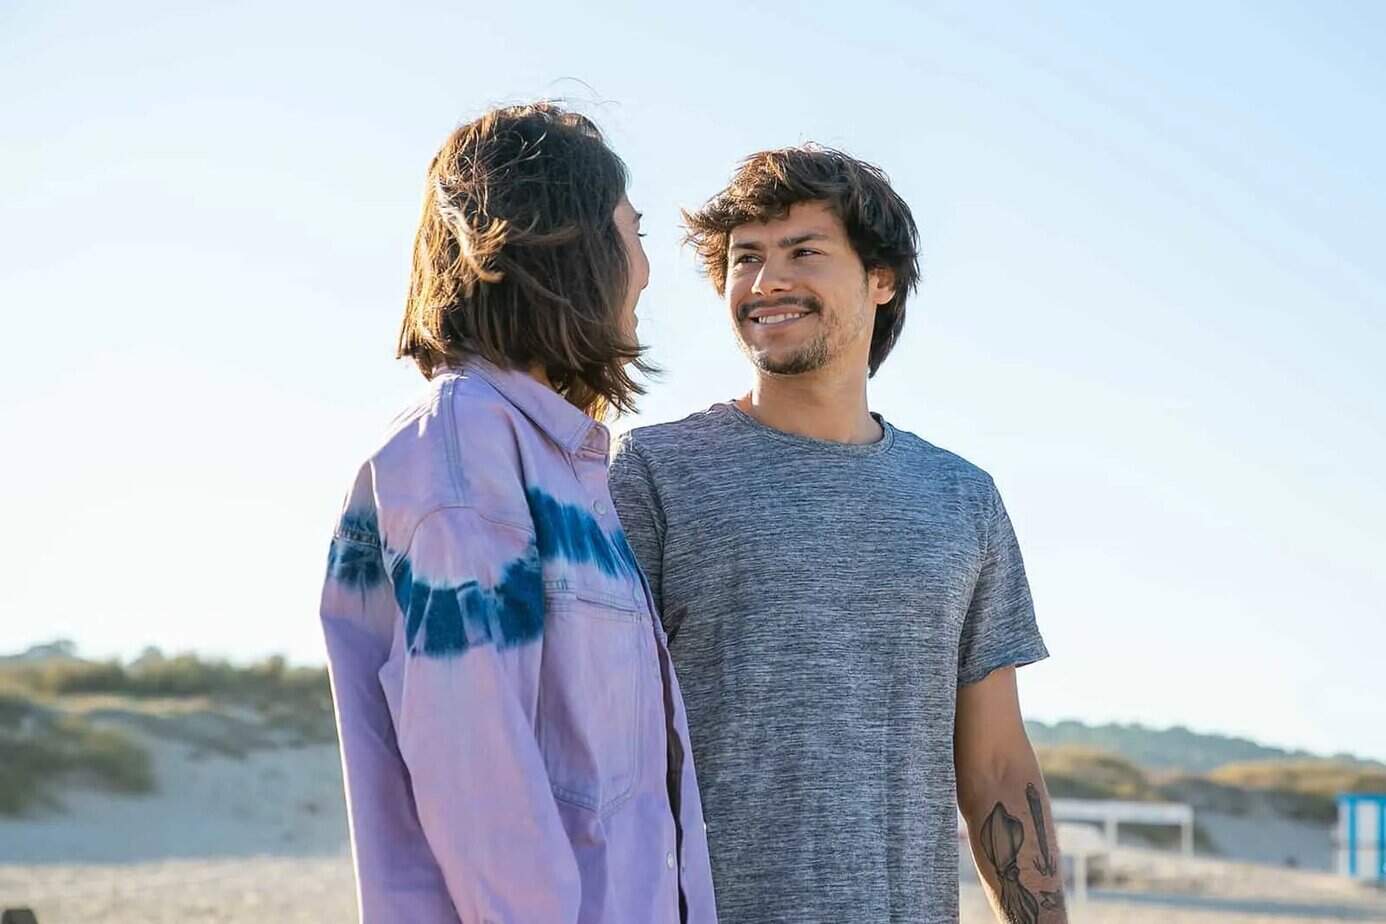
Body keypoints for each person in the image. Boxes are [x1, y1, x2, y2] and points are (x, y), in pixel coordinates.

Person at [609, 146, 1066, 924]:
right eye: (745, 258)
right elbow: (604, 742)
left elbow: (995, 765)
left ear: (881, 279)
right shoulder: (654, 472)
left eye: (803, 252)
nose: (765, 282)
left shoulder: (961, 500)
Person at [319, 102, 716, 924]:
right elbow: (482, 789)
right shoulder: (462, 449)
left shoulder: (557, 465)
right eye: (633, 230)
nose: (645, 267)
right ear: (566, 244)